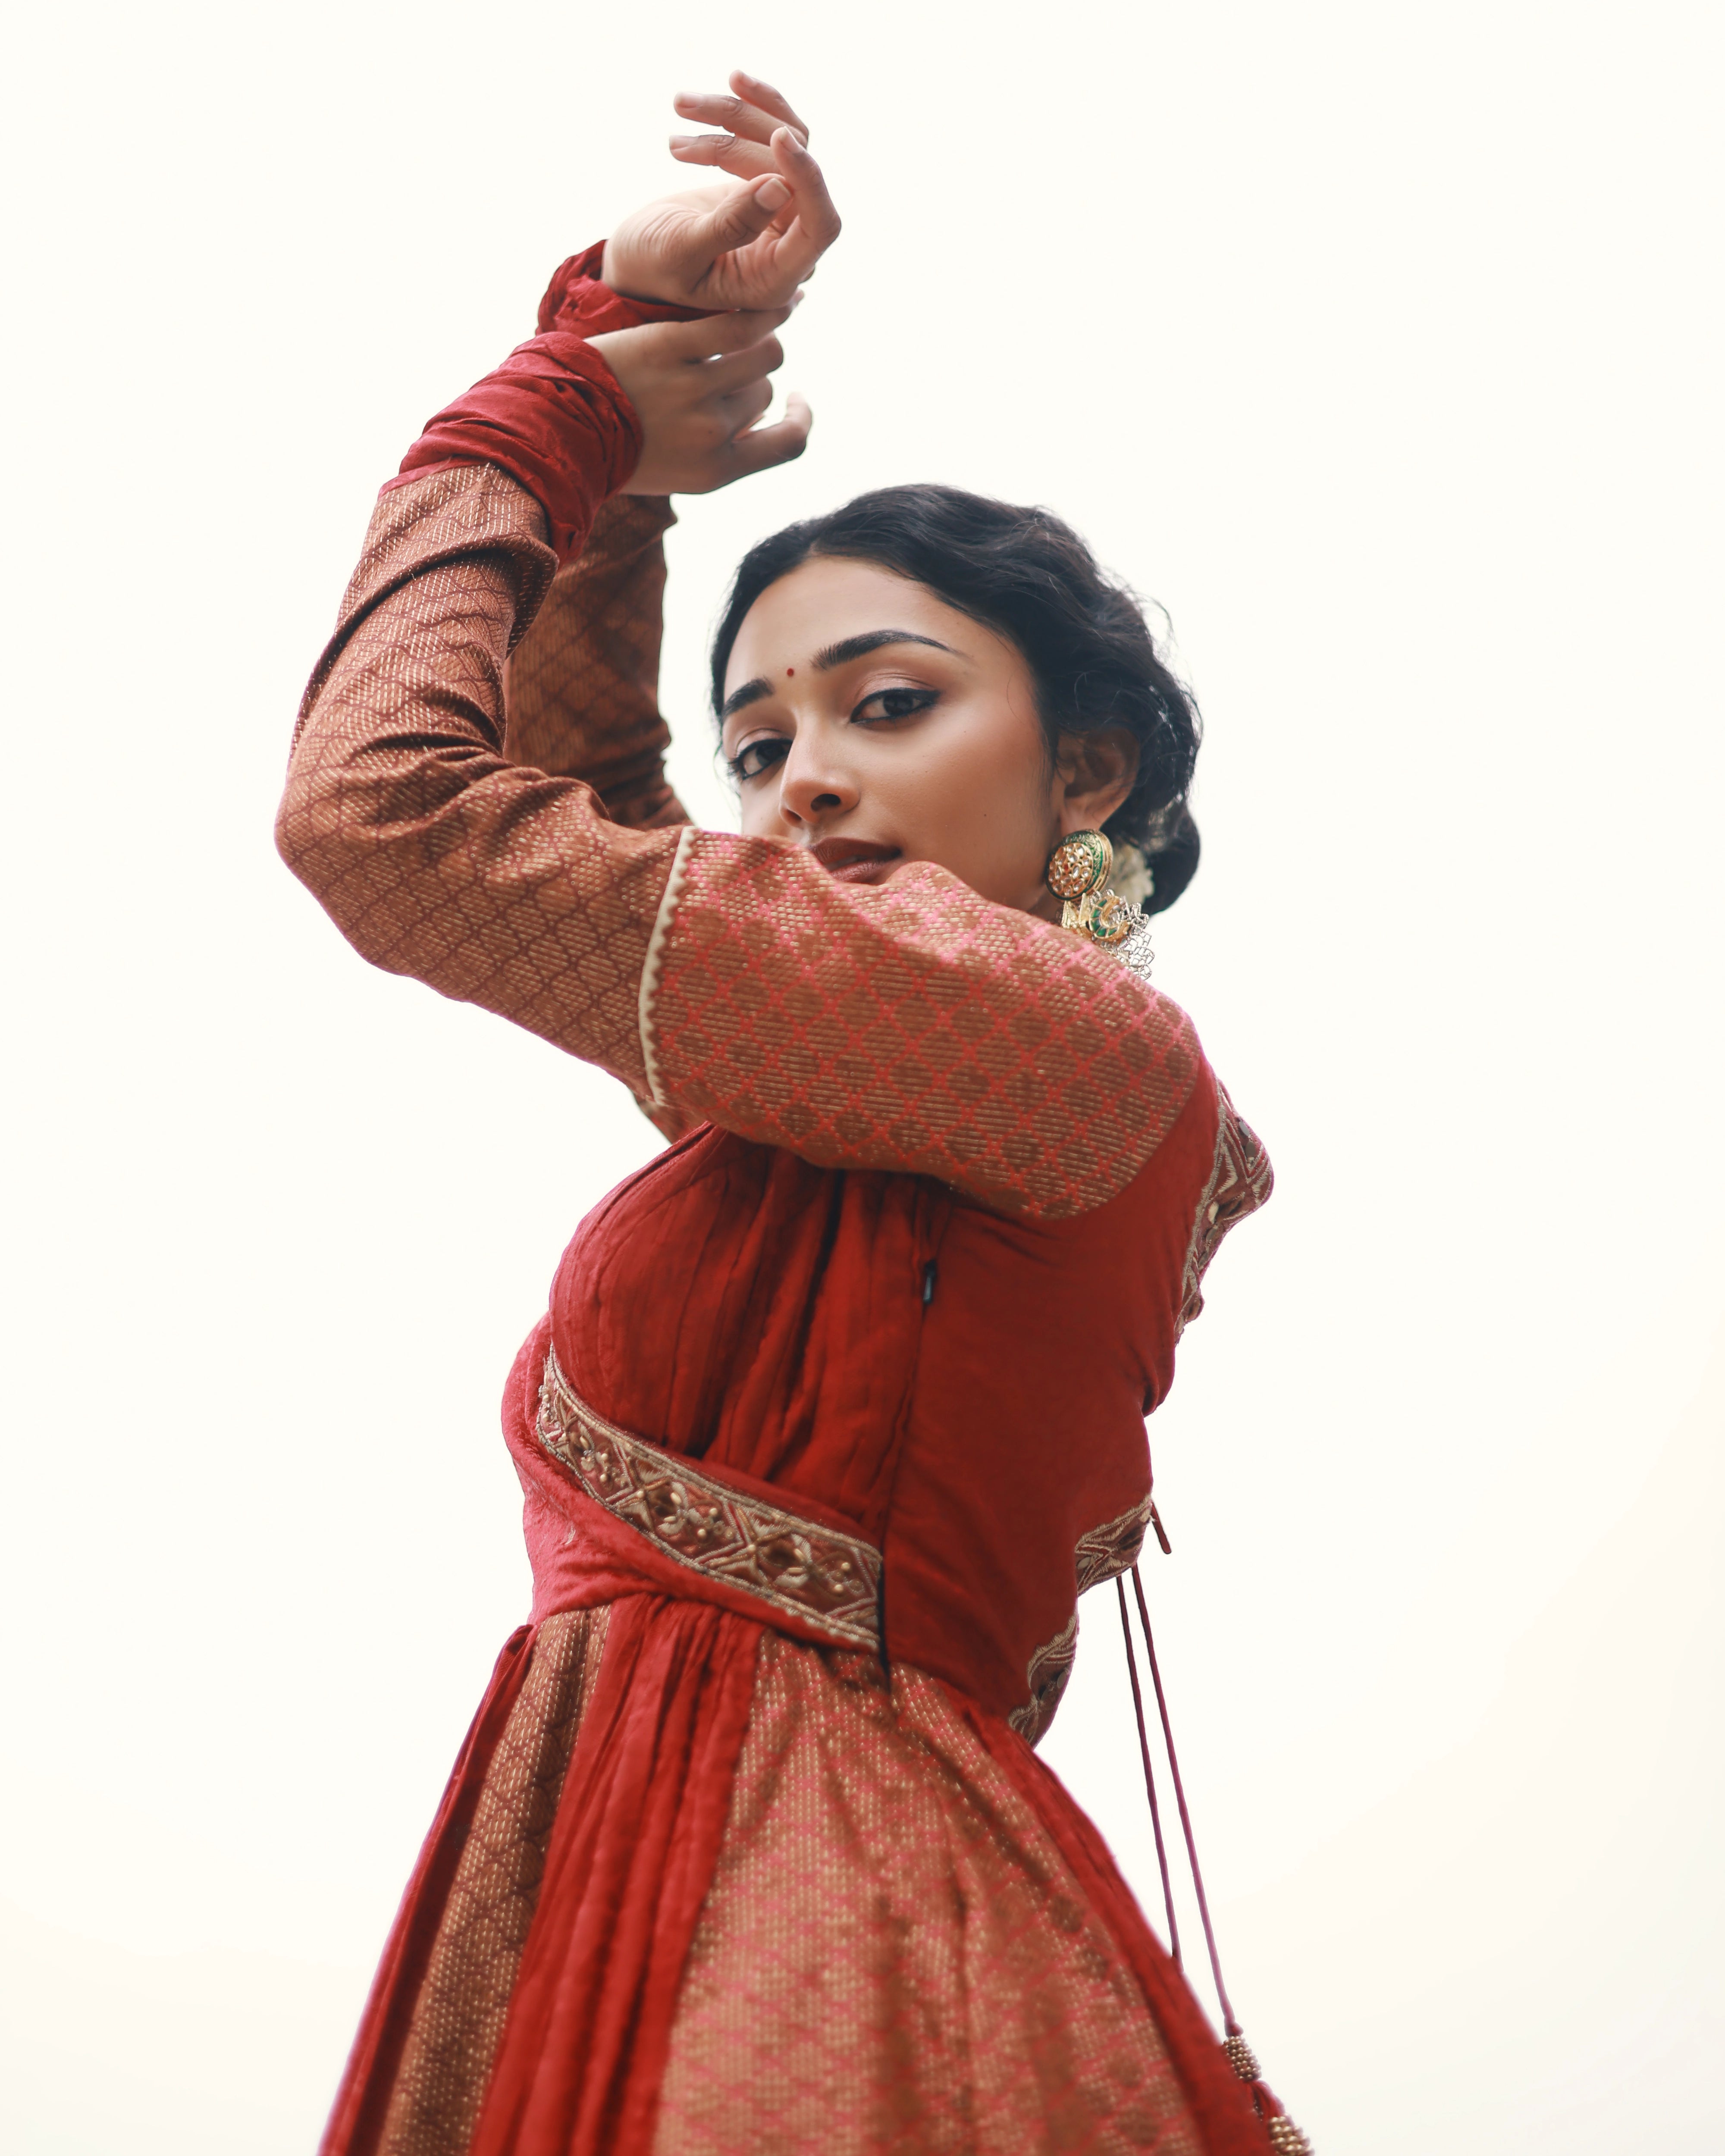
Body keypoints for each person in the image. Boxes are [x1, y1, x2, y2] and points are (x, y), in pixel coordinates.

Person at [278, 69, 1295, 2156]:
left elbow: (392, 816)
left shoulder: (1051, 1046)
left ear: (1086, 776)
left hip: (811, 1899)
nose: (801, 777)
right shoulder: (873, 1094)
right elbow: (591, 823)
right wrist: (613, 385)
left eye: (889, 702)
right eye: (759, 740)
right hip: (650, 1853)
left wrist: (535, 424)